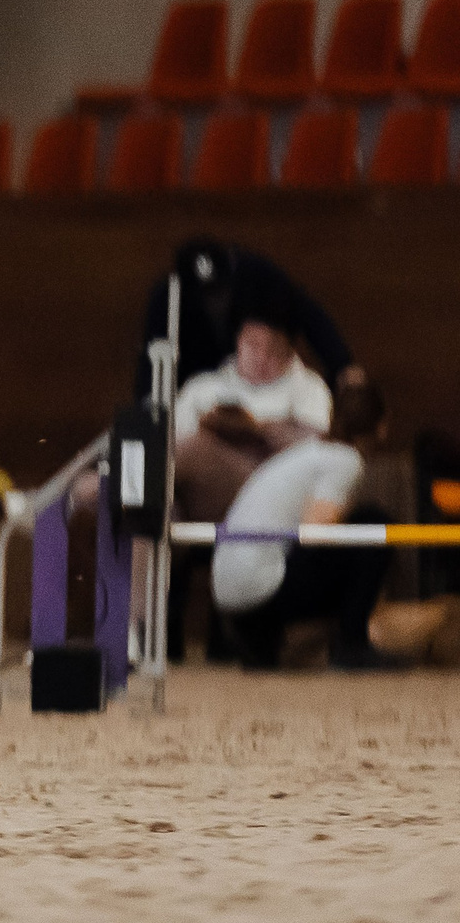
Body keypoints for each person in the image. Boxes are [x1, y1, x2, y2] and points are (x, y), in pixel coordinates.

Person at [215, 370, 394, 671]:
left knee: (349, 531)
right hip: (260, 593)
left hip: (229, 593)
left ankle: (262, 641)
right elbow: (315, 533)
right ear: (380, 426)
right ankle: (352, 644)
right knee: (373, 524)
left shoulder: (311, 452)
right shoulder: (345, 460)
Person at [135, 237, 352, 400]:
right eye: (206, 295)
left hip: (262, 390)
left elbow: (308, 314)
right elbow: (153, 358)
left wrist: (342, 364)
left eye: (219, 291)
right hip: (202, 390)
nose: (215, 302)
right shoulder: (167, 298)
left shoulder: (257, 276)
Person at [170, 317, 332, 523]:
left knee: (193, 450)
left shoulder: (309, 388)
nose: (262, 356)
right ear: (238, 342)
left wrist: (259, 430)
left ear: (289, 349)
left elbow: (319, 452)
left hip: (268, 484)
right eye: (253, 345)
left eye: (273, 348)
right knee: (163, 503)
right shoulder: (202, 388)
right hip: (200, 492)